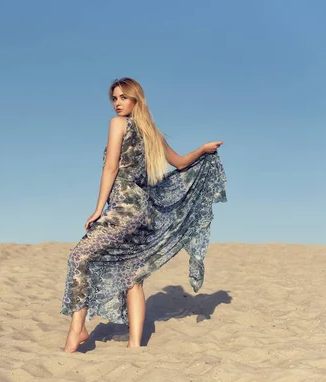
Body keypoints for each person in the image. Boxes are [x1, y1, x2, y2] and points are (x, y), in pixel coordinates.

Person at [60, 77, 227, 353]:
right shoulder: (151, 133)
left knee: (79, 257)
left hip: (125, 207)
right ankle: (135, 346)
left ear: (136, 99)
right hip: (143, 211)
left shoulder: (118, 125)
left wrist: (99, 208)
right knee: (133, 276)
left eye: (123, 97)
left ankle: (77, 331)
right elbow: (182, 162)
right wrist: (202, 150)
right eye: (114, 98)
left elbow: (111, 168)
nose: (117, 103)